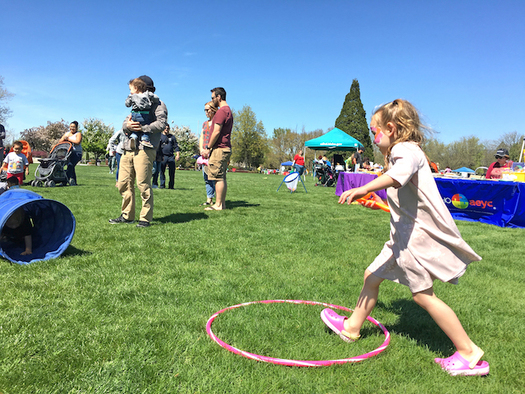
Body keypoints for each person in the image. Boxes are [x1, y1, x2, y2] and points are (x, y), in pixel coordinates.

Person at [323, 99, 488, 376]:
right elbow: (401, 190)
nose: (374, 138)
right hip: (401, 237)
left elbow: (397, 176)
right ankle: (351, 327)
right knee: (371, 276)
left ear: (391, 128)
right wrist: (376, 198)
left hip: (413, 241)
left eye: (375, 131)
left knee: (423, 296)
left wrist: (363, 189)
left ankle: (469, 352)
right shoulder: (404, 152)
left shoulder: (405, 150)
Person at [109, 75, 168, 228]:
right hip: (128, 147)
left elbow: (162, 124)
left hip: (145, 148)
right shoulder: (134, 103)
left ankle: (145, 218)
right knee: (123, 182)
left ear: (143, 88)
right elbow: (125, 122)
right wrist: (127, 126)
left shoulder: (158, 104)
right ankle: (127, 215)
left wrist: (143, 128)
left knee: (143, 184)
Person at [202, 87, 233, 211]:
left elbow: (216, 132)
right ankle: (221, 204)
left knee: (218, 177)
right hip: (225, 148)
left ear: (219, 97)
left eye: (213, 98)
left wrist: (208, 147)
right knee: (222, 177)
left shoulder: (221, 112)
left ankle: (218, 205)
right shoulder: (228, 111)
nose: (212, 100)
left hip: (219, 149)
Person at [125, 78, 160, 149]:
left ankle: (133, 137)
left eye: (130, 89)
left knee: (135, 126)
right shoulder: (147, 94)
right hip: (144, 114)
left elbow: (127, 104)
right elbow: (156, 98)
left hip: (135, 114)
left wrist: (129, 99)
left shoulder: (132, 96)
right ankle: (145, 139)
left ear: (136, 88)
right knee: (145, 125)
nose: (130, 91)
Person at [199, 101, 218, 205]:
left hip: (214, 153)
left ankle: (218, 201)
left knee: (214, 178)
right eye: (205, 110)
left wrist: (209, 149)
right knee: (206, 178)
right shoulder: (205, 123)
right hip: (204, 154)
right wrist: (201, 149)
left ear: (213, 110)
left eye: (207, 110)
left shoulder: (217, 123)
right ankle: (209, 199)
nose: (206, 112)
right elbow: (201, 136)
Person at [59, 121, 82, 185]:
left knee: (70, 165)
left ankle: (64, 181)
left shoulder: (78, 134)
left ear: (76, 127)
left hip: (76, 153)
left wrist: (68, 139)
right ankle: (73, 182)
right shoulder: (67, 133)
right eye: (71, 127)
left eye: (73, 127)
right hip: (68, 153)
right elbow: (60, 141)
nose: (72, 128)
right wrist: (64, 139)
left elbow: (77, 142)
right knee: (71, 167)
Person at [157, 124, 180, 189]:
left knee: (172, 172)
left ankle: (171, 186)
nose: (166, 129)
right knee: (162, 171)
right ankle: (162, 185)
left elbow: (176, 146)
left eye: (168, 128)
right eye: (165, 128)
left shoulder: (172, 137)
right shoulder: (160, 136)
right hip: (163, 156)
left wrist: (177, 155)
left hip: (171, 156)